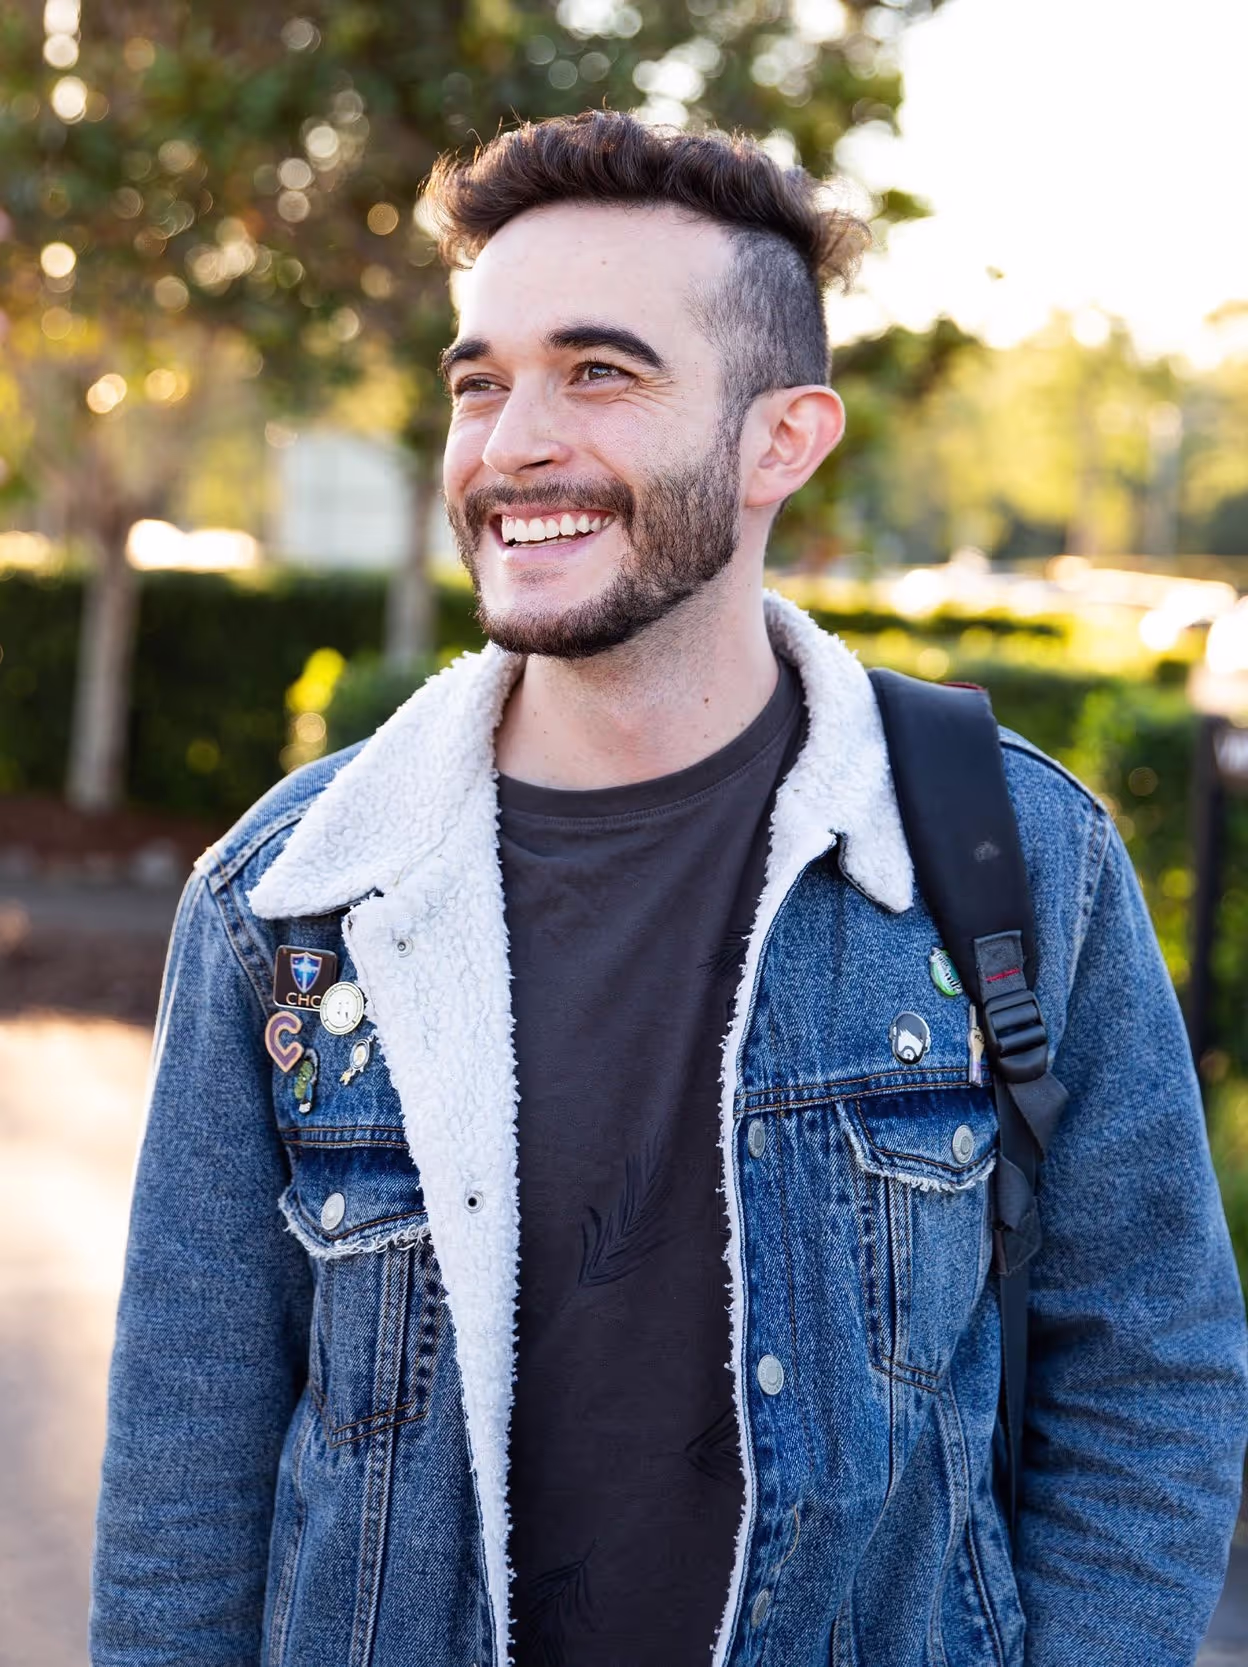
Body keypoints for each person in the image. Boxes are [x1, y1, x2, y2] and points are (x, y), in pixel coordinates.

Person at [91, 110, 1247, 1667]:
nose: (510, 444)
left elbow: (1152, 1373)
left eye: (599, 372)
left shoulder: (1013, 855)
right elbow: (185, 1478)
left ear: (784, 440)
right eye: (479, 381)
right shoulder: (291, 901)